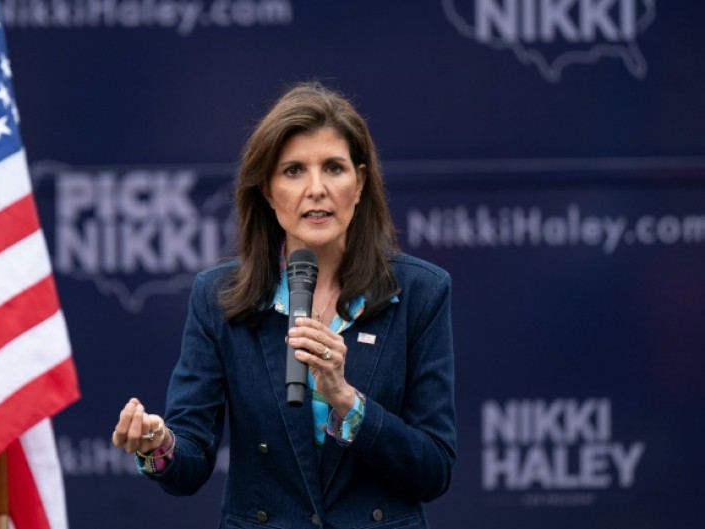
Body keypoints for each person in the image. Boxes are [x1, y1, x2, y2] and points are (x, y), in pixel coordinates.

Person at [112, 81, 456, 529]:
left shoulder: (420, 292)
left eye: (333, 168)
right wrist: (157, 444)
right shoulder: (218, 297)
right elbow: (190, 462)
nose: (316, 189)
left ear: (360, 182)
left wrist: (347, 401)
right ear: (267, 191)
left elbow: (434, 470)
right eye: (293, 171)